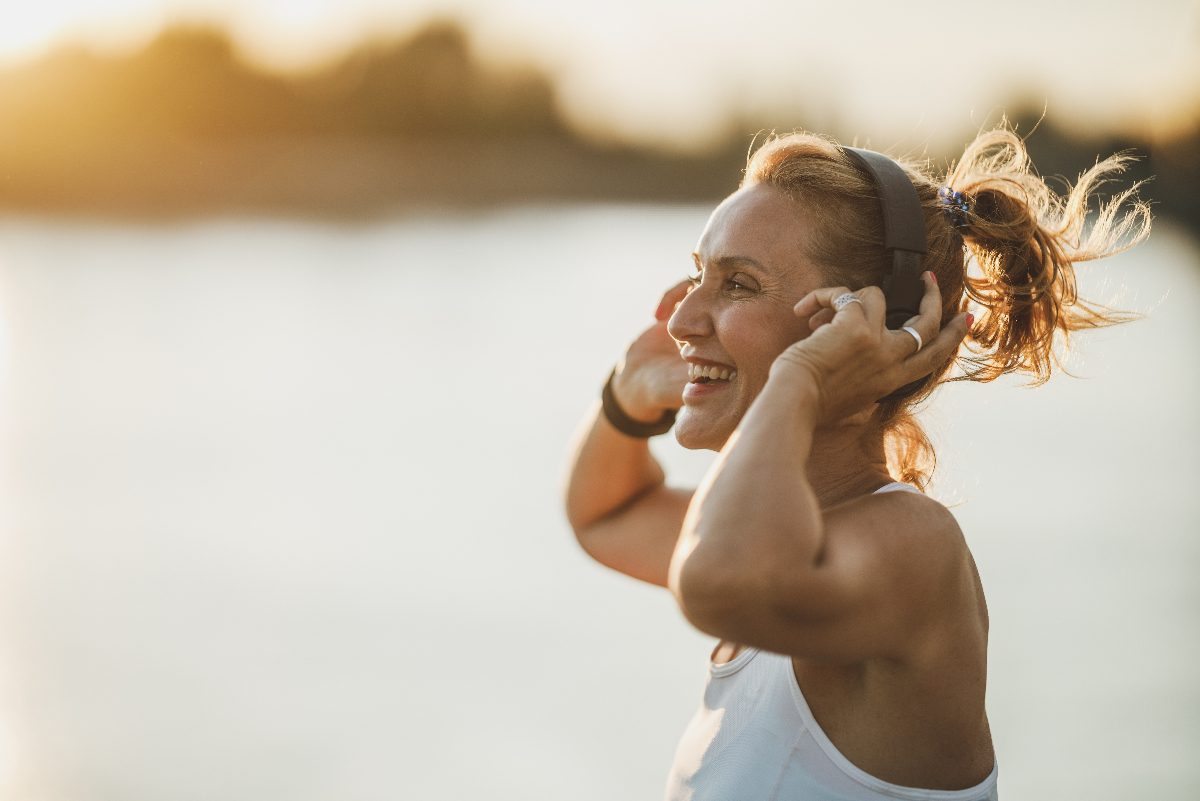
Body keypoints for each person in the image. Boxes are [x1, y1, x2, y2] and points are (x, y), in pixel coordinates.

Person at [562, 123, 1151, 800]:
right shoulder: (783, 534)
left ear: (860, 328)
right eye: (699, 275)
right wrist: (624, 399)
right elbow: (604, 514)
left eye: (737, 284)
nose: (682, 317)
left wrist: (801, 382)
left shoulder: (911, 547)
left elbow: (714, 580)